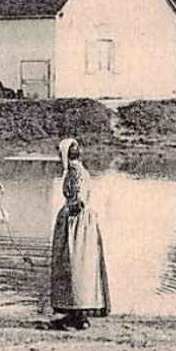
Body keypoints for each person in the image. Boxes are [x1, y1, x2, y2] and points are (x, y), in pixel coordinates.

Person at [49, 138, 111, 330]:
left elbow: (80, 200)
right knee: (77, 265)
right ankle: (75, 313)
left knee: (75, 263)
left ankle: (77, 314)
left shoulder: (76, 173)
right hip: (81, 222)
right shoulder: (79, 171)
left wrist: (69, 212)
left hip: (77, 222)